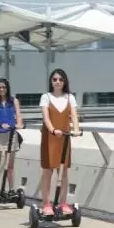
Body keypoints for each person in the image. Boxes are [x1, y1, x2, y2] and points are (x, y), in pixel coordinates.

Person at [39, 68, 80, 216]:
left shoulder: (70, 98)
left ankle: (63, 203)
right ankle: (46, 203)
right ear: (51, 81)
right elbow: (46, 118)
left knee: (63, 173)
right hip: (50, 137)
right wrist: (52, 129)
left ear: (65, 82)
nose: (57, 82)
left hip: (65, 136)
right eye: (55, 79)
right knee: (48, 171)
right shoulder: (46, 97)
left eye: (60, 79)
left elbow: (74, 115)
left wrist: (76, 129)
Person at [0, 77, 24, 196]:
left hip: (11, 134)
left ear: (7, 88)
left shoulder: (14, 101)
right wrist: (0, 124)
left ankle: (11, 189)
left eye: (3, 87)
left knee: (10, 165)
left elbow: (18, 115)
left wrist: (19, 124)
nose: (1, 89)